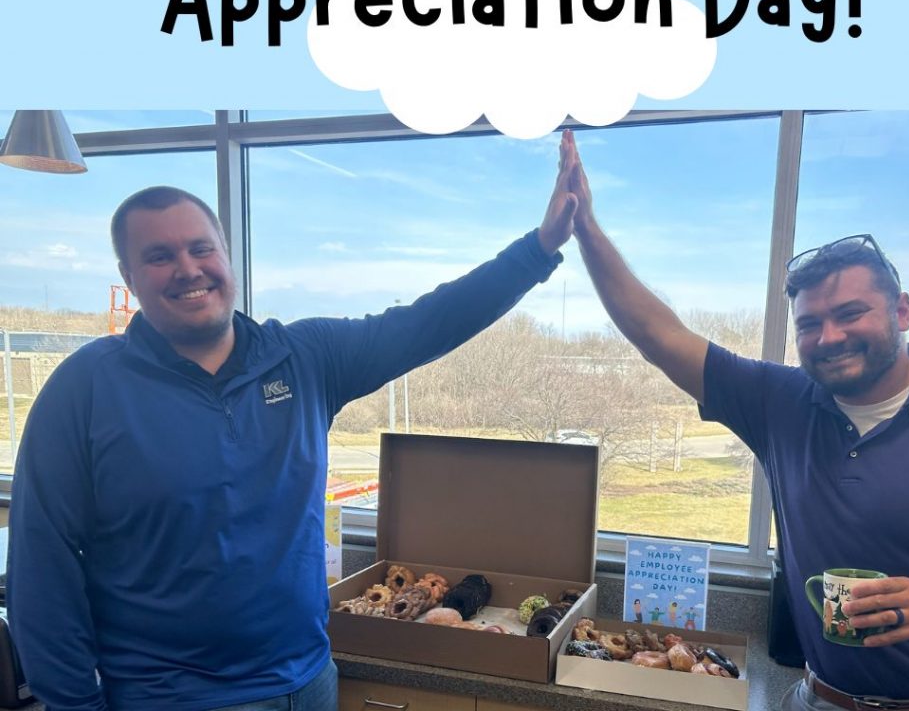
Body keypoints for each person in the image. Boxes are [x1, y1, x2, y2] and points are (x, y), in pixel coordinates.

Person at [7, 149, 579, 711]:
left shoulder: (303, 358)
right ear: (128, 276)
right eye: (159, 256)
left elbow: (427, 323)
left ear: (226, 255)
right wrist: (75, 703)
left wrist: (539, 248)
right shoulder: (85, 388)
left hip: (308, 681)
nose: (187, 268)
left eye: (201, 247)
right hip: (171, 696)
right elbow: (42, 563)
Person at [561, 130, 909, 709]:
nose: (830, 337)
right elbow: (660, 335)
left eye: (851, 313)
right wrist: (585, 230)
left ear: (902, 310)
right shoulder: (781, 402)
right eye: (810, 324)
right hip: (820, 698)